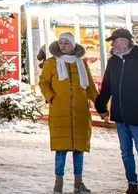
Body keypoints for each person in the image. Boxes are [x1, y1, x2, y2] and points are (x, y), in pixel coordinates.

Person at [93, 28, 138, 194]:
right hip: (119, 115)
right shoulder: (113, 61)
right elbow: (107, 86)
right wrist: (101, 107)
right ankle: (131, 182)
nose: (114, 44)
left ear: (126, 41)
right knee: (125, 152)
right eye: (113, 42)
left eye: (116, 41)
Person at [40, 32, 99, 194]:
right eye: (61, 43)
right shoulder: (51, 63)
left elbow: (90, 88)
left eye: (66, 43)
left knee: (79, 149)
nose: (63, 46)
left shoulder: (82, 63)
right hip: (60, 112)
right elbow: (44, 83)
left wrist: (101, 105)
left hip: (80, 112)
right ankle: (58, 183)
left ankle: (78, 183)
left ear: (73, 45)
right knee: (61, 149)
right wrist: (52, 98)